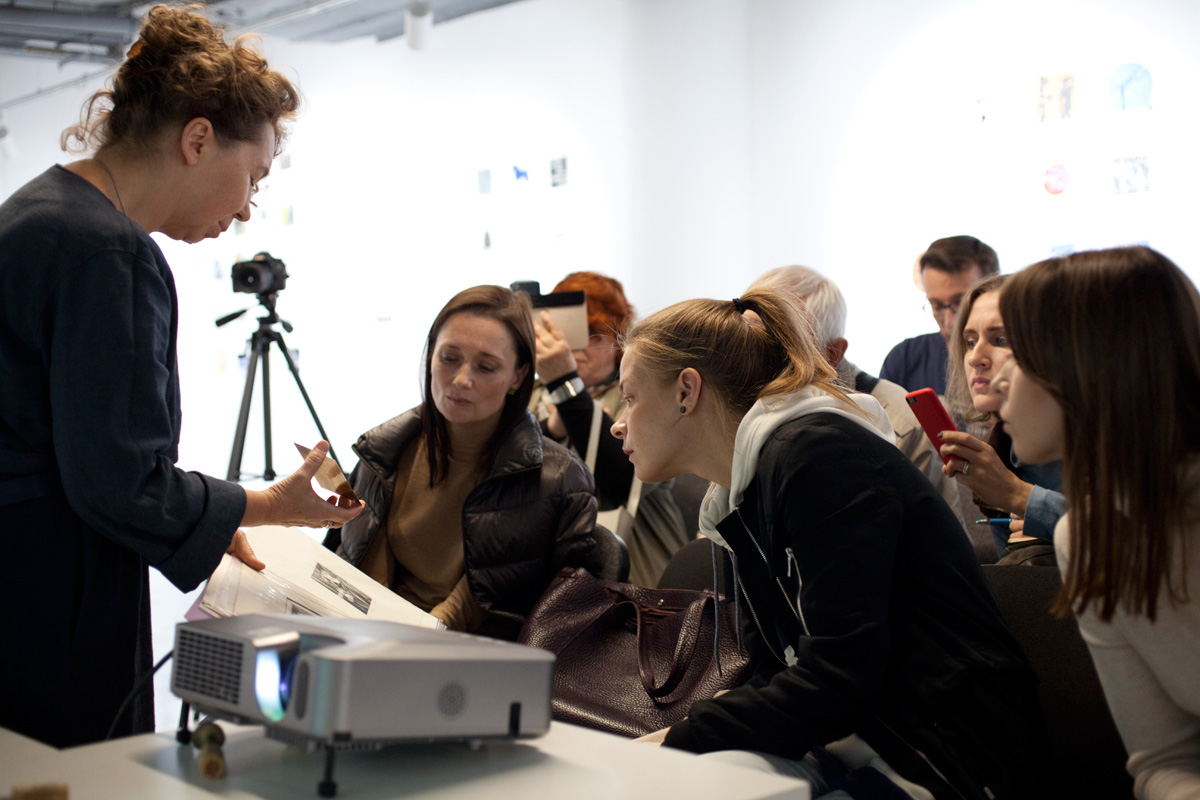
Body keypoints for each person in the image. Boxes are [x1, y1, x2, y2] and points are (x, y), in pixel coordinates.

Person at [0, 6, 362, 748]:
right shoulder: (108, 252)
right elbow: (120, 482)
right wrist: (261, 506)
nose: (247, 208)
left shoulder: (36, 214)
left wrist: (231, 514)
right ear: (197, 140)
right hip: (50, 596)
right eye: (252, 176)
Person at [612, 290, 1048, 799]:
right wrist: (679, 740)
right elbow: (777, 671)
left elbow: (840, 683)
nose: (619, 422)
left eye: (630, 397)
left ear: (686, 392)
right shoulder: (742, 493)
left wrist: (680, 738)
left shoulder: (818, 454)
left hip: (944, 758)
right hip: (855, 745)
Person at [994, 246, 1200, 800]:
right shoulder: (1089, 537)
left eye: (1016, 349)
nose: (998, 378)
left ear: (1086, 364)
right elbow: (1164, 758)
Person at [329, 285, 613, 640]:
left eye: (486, 367)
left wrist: (418, 635)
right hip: (369, 632)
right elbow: (346, 563)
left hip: (472, 653)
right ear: (430, 356)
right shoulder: (382, 452)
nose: (462, 380)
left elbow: (563, 620)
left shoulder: (559, 481)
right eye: (449, 358)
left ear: (518, 376)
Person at [748, 265, 972, 532]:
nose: (751, 359)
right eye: (746, 340)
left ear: (832, 354)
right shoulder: (740, 405)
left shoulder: (902, 424)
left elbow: (933, 543)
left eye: (776, 347)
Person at [531, 271, 688, 587]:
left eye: (593, 336)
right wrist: (552, 426)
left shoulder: (643, 394)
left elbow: (622, 481)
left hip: (641, 581)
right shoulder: (534, 395)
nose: (575, 349)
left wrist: (566, 389)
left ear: (617, 340)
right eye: (566, 334)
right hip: (554, 581)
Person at [940, 275, 1066, 561]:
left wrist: (1018, 495)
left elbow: (1140, 534)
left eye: (1001, 340)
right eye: (970, 342)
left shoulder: (1107, 439)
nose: (975, 357)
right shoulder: (999, 448)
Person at [880, 235, 999, 396]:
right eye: (936, 306)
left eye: (960, 304)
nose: (950, 322)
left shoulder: (1014, 363)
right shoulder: (905, 360)